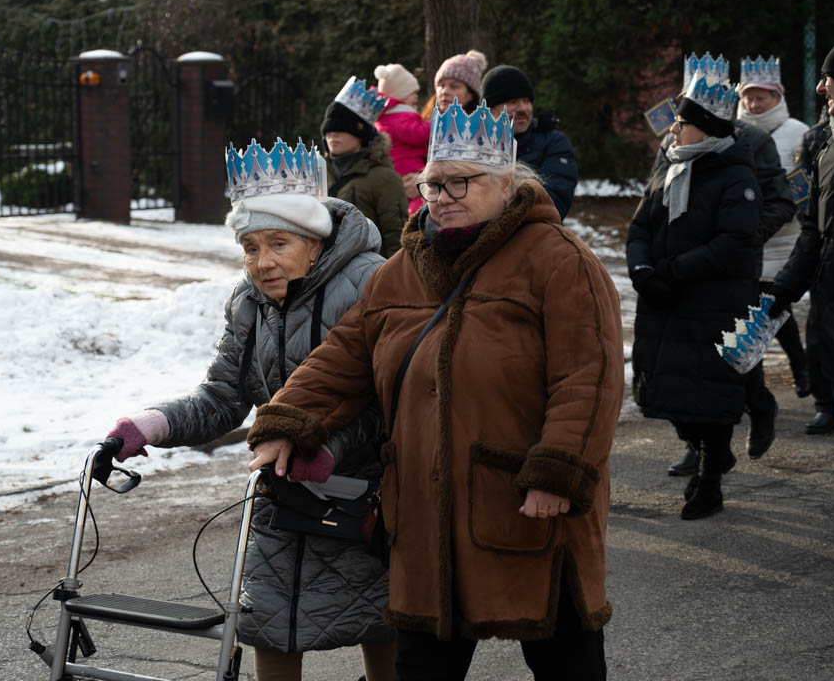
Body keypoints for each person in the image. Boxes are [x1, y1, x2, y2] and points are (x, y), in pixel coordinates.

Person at [246, 101, 623, 681]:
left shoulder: (559, 260)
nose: (440, 198)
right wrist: (287, 420)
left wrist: (558, 470)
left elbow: (588, 379)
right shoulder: (402, 269)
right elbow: (343, 358)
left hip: (526, 507)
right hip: (423, 517)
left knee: (565, 661)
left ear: (506, 183)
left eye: (457, 183)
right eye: (431, 184)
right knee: (421, 667)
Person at [106, 136, 395, 681]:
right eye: (250, 247)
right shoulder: (248, 301)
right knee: (269, 622)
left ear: (314, 242)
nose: (262, 263)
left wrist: (327, 449)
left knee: (382, 621)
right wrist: (153, 424)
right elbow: (223, 396)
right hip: (282, 494)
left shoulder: (371, 282)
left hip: (365, 498)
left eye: (278, 244)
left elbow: (388, 401)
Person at [627, 62, 762, 520]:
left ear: (705, 128)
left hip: (712, 302)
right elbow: (641, 225)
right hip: (665, 300)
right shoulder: (670, 165)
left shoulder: (736, 176)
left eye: (682, 122)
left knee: (709, 396)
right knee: (669, 393)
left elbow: (733, 241)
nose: (674, 128)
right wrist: (642, 269)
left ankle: (710, 480)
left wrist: (674, 270)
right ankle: (709, 454)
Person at [663, 54, 795, 476]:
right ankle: (697, 446)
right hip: (684, 266)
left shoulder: (752, 140)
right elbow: (656, 194)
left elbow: (781, 201)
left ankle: (759, 405)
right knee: (685, 360)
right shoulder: (674, 138)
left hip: (733, 267)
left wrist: (745, 235)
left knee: (731, 352)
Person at [767, 32, 834, 564]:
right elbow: (815, 231)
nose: (820, 87)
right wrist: (783, 289)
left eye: (830, 77)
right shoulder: (830, 144)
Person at [737, 57, 811, 397]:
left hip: (784, 234)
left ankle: (798, 365)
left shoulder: (797, 132)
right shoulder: (733, 130)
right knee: (754, 306)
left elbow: (805, 181)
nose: (754, 104)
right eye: (748, 97)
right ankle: (756, 380)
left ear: (777, 97)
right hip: (747, 234)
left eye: (761, 97)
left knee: (773, 302)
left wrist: (793, 211)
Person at [320, 76, 408, 257]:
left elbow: (397, 239)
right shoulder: (316, 173)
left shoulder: (385, 178)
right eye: (329, 129)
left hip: (371, 269)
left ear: (362, 135)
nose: (333, 135)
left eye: (342, 128)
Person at [482, 64, 578, 220]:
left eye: (526, 101)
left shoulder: (553, 142)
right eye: (512, 101)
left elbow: (552, 204)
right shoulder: (471, 145)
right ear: (490, 109)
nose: (523, 109)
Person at [793, 113, 834, 434]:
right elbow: (799, 187)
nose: (822, 90)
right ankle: (826, 404)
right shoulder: (813, 138)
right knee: (819, 331)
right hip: (824, 248)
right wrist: (811, 218)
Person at [373, 63, 430, 216]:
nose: (416, 96)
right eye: (413, 93)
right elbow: (418, 135)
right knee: (420, 200)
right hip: (408, 168)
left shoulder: (389, 117)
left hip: (401, 168)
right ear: (400, 94)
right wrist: (436, 122)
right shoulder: (398, 118)